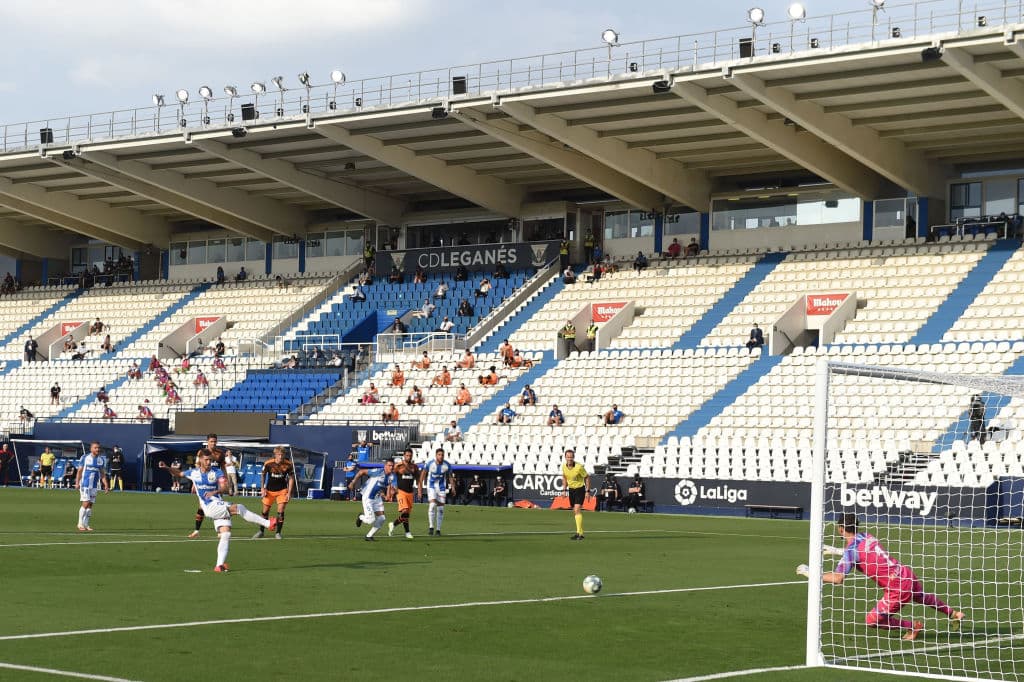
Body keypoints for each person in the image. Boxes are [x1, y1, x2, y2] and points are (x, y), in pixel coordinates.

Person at [803, 513, 964, 641]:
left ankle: (912, 626)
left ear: (840, 529)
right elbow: (863, 554)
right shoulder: (867, 536)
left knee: (872, 620)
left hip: (896, 588)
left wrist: (812, 574)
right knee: (922, 597)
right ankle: (954, 613)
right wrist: (838, 551)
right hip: (905, 573)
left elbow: (838, 578)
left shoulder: (851, 551)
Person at [161, 449, 276, 571]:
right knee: (239, 508)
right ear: (200, 460)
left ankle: (219, 565)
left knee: (226, 534)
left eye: (210, 460)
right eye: (206, 460)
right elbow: (179, 474)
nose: (209, 462)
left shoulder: (216, 472)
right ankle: (268, 523)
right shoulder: (194, 472)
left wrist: (215, 491)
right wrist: (167, 467)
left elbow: (225, 487)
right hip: (210, 507)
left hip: (217, 503)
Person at [350, 458, 397, 541]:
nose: (391, 467)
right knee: (370, 520)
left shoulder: (392, 476)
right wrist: (353, 482)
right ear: (385, 466)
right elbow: (362, 472)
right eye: (389, 465)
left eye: (392, 466)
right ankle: (361, 517)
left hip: (377, 498)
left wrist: (387, 495)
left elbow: (387, 485)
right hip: (368, 497)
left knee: (382, 518)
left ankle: (369, 536)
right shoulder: (378, 472)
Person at [189, 434, 226, 539]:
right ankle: (197, 530)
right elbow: (197, 468)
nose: (213, 443)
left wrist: (226, 482)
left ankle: (219, 530)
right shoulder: (201, 453)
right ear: (207, 442)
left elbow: (223, 468)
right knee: (201, 506)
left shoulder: (220, 454)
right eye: (211, 441)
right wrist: (193, 483)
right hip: (204, 482)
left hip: (216, 482)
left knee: (219, 505)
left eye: (215, 441)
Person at [255, 446, 294, 540]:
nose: (280, 456)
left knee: (281, 511)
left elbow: (291, 478)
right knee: (265, 512)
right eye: (279, 454)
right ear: (275, 455)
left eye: (282, 454)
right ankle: (261, 531)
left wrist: (289, 492)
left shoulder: (288, 464)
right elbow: (263, 475)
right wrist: (262, 488)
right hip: (269, 490)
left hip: (282, 490)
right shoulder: (268, 463)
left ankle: (278, 533)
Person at [419, 448, 455, 536]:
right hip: (431, 487)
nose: (441, 456)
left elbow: (450, 477)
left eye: (442, 455)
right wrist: (420, 490)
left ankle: (438, 530)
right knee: (432, 505)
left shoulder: (447, 465)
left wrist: (453, 488)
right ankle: (431, 527)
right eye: (439, 455)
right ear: (436, 455)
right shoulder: (430, 464)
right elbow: (422, 476)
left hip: (441, 488)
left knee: (441, 509)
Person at [75, 441, 109, 532]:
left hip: (94, 485)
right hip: (85, 484)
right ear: (91, 449)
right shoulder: (85, 458)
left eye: (98, 448)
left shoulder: (101, 460)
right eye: (95, 447)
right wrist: (77, 482)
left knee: (90, 505)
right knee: (85, 503)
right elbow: (79, 471)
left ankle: (86, 524)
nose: (97, 449)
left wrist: (106, 485)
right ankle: (80, 523)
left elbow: (102, 474)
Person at [389, 448, 419, 539]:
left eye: (410, 455)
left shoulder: (414, 467)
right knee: (405, 511)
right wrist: (392, 488)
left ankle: (394, 525)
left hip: (410, 492)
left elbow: (418, 478)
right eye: (407, 455)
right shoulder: (398, 466)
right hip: (401, 491)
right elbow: (391, 476)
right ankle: (407, 532)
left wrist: (420, 489)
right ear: (404, 456)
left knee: (406, 515)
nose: (408, 457)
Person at [561, 449, 590, 540]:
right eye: (568, 456)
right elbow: (565, 477)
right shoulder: (564, 467)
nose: (569, 458)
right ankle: (580, 532)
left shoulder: (579, 467)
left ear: (573, 457)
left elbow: (587, 477)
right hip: (571, 490)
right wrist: (564, 490)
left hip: (579, 489)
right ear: (565, 457)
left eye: (571, 457)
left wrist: (587, 491)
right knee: (575, 511)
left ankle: (579, 534)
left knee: (577, 509)